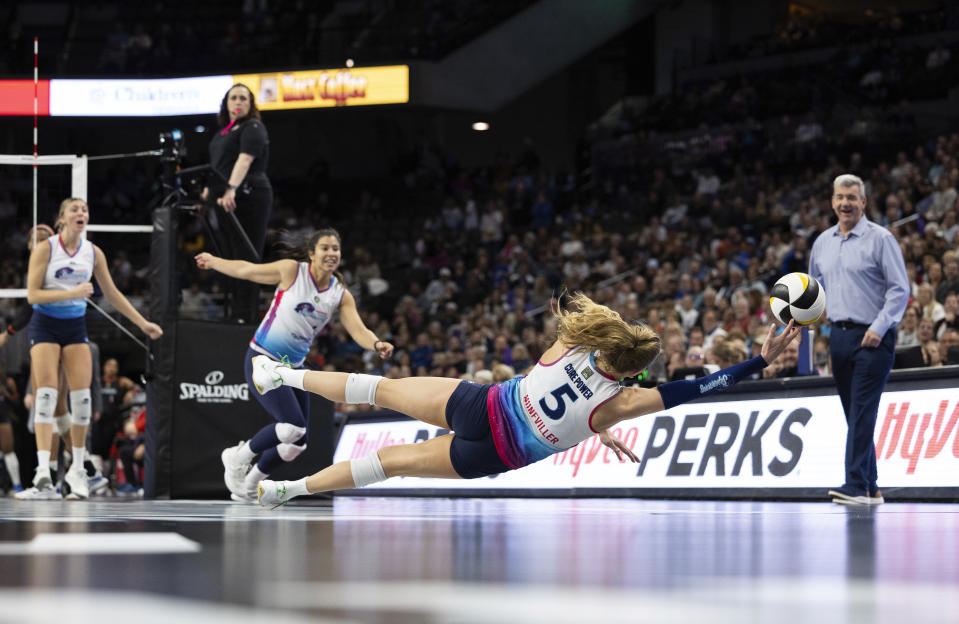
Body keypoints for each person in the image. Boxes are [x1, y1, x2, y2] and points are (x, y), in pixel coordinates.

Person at [251, 293, 800, 507]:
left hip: (483, 408)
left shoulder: (574, 342)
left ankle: (281, 376)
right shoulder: (625, 404)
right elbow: (694, 390)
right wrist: (759, 361)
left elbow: (575, 343)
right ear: (637, 372)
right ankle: (286, 489)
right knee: (389, 465)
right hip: (496, 454)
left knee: (380, 391)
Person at [195, 228, 394, 502]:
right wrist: (214, 262)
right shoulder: (292, 272)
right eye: (325, 248)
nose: (331, 253)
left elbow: (358, 330)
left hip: (292, 367)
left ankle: (250, 485)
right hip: (262, 359)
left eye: (335, 248)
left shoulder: (339, 294)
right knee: (292, 427)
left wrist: (375, 344)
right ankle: (238, 456)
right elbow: (247, 270)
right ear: (311, 254)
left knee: (297, 444)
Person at [16, 198, 162, 501]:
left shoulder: (93, 253)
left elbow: (112, 292)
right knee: (46, 395)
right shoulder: (46, 249)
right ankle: (43, 473)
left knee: (81, 401)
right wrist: (74, 291)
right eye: (74, 210)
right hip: (45, 324)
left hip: (74, 326)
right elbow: (32, 295)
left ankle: (79, 471)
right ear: (62, 218)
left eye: (84, 209)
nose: (81, 213)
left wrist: (142, 323)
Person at [809, 174, 909, 507]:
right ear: (832, 201)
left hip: (874, 337)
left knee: (863, 410)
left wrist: (880, 327)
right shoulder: (822, 242)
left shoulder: (881, 239)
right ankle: (871, 487)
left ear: (863, 202)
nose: (845, 203)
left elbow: (900, 289)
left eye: (852, 197)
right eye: (840, 197)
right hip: (838, 336)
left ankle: (854, 484)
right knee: (854, 414)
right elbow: (814, 289)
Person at [203, 83, 272, 323]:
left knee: (246, 254)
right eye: (234, 97)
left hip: (248, 196)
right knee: (229, 255)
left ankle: (246, 315)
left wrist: (231, 188)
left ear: (251, 104)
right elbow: (218, 167)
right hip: (224, 200)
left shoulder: (253, 127)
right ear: (226, 103)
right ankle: (234, 312)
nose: (238, 102)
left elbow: (244, 160)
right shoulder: (222, 134)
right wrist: (206, 195)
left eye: (243, 98)